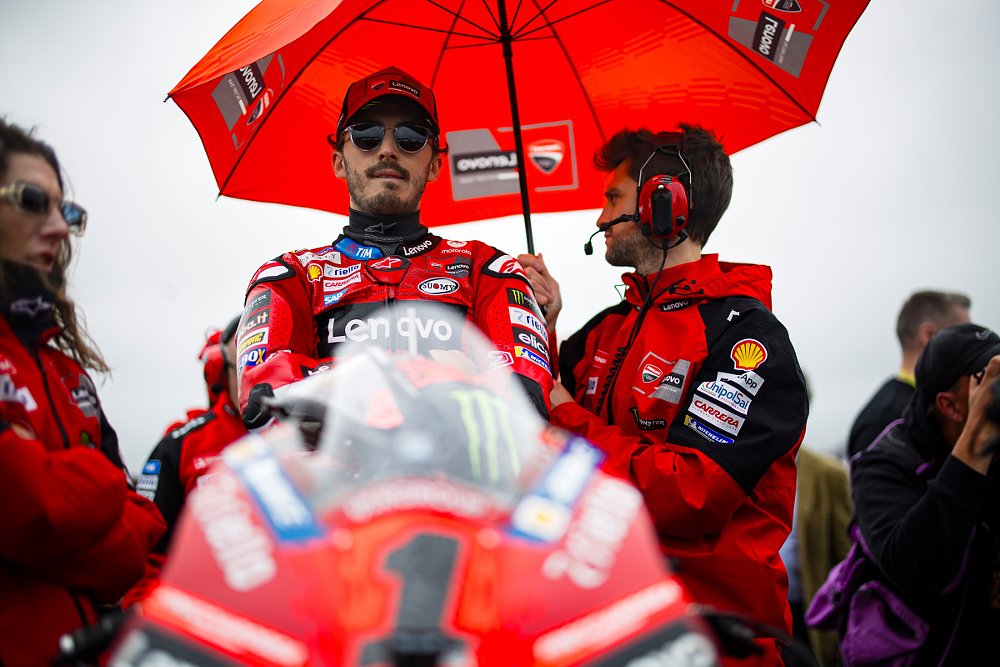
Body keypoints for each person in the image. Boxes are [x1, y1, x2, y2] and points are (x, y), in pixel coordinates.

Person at [519, 126, 808, 665]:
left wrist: (566, 415)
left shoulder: (746, 339)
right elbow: (539, 420)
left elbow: (690, 491)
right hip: (603, 630)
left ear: (664, 202)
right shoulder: (605, 328)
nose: (600, 218)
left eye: (612, 198)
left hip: (714, 639)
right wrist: (547, 326)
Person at [237, 65, 553, 429]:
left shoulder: (487, 269)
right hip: (332, 481)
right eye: (367, 135)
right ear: (339, 161)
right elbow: (263, 397)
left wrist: (327, 382)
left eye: (411, 137)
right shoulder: (289, 276)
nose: (388, 149)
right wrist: (435, 373)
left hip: (460, 481)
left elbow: (524, 400)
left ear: (434, 165)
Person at [0, 118, 165, 664]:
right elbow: (28, 505)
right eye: (32, 201)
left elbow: (141, 535)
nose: (58, 229)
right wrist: (97, 483)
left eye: (64, 211)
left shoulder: (71, 377)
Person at [849, 322, 1000, 663]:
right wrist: (978, 440)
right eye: (984, 377)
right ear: (950, 405)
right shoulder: (885, 463)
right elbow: (916, 570)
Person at [126, 315, 248, 605]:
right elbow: (145, 560)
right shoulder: (181, 446)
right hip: (204, 622)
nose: (253, 374)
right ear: (220, 369)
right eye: (243, 363)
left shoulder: (312, 437)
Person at [846, 290, 970, 462]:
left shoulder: (946, 406)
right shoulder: (883, 420)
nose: (973, 346)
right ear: (929, 335)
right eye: (964, 336)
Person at [781, 446, 853, 667]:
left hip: (808, 609)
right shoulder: (747, 461)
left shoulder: (827, 472)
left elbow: (846, 554)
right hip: (764, 610)